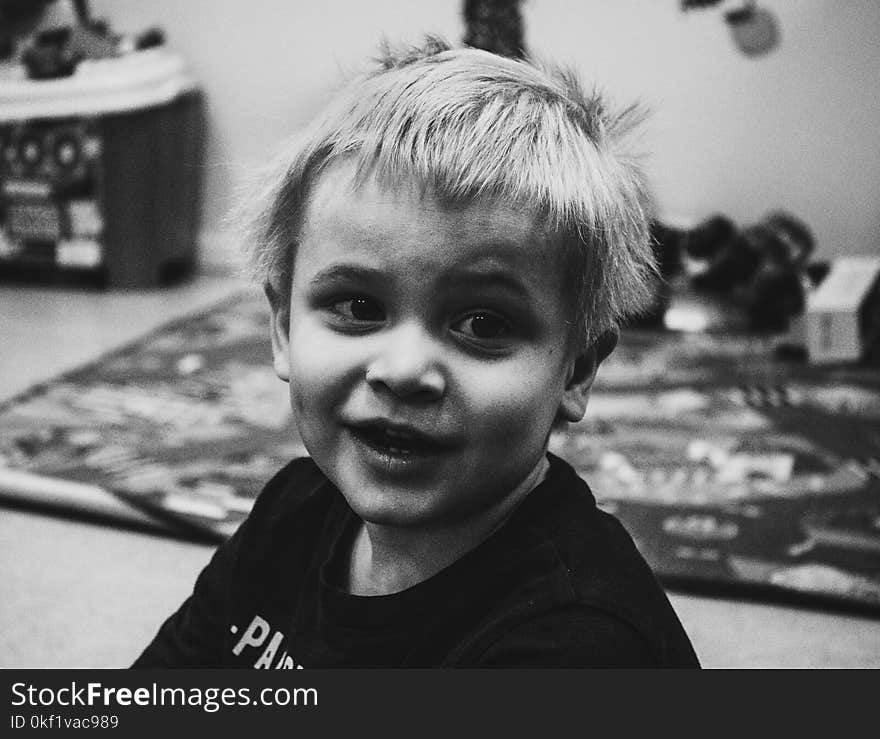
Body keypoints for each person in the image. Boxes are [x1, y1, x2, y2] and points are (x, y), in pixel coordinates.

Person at [132, 37, 699, 668]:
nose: (403, 371)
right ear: (284, 330)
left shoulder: (577, 647)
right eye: (358, 307)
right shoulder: (293, 512)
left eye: (483, 323)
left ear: (578, 369)